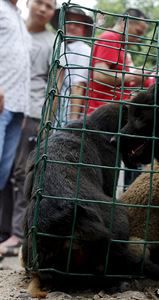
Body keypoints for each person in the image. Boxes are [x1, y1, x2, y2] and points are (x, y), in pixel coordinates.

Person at [0, 0, 55, 258]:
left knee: (18, 173)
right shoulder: (11, 21)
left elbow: (54, 82)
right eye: (40, 3)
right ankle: (6, 231)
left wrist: (47, 118)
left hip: (29, 112)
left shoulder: (49, 40)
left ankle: (16, 235)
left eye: (50, 6)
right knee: (8, 171)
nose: (44, 9)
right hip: (7, 104)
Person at [87, 8, 148, 114]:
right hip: (102, 113)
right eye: (138, 32)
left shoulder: (120, 45)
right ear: (124, 22)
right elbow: (100, 75)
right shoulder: (110, 38)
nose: (139, 38)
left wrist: (136, 79)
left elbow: (118, 81)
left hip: (110, 111)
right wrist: (132, 76)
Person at [52, 6, 93, 124]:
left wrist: (72, 121)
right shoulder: (62, 46)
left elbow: (78, 87)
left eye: (77, 24)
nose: (71, 26)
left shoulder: (83, 50)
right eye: (68, 21)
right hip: (57, 107)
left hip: (68, 110)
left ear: (84, 30)